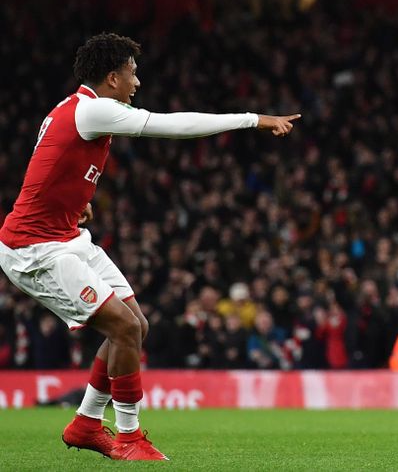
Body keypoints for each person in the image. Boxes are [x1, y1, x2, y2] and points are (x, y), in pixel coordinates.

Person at [0, 33, 299, 460]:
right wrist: (252, 118)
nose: (137, 82)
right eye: (133, 73)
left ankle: (85, 424)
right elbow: (172, 126)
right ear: (112, 77)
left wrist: (72, 206)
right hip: (36, 249)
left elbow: (49, 167)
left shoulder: (70, 110)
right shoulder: (94, 109)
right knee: (122, 328)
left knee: (135, 327)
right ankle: (129, 436)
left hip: (64, 235)